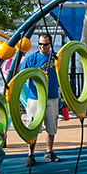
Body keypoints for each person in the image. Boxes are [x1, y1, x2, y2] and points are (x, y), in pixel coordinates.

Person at [17, 33, 62, 166]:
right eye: (40, 44)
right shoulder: (31, 59)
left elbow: (63, 71)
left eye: (46, 44)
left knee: (51, 126)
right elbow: (22, 76)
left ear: (51, 44)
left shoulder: (55, 58)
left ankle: (49, 152)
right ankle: (30, 154)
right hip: (35, 97)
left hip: (52, 96)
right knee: (32, 126)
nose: (43, 47)